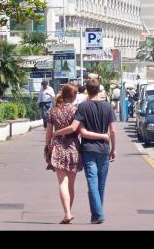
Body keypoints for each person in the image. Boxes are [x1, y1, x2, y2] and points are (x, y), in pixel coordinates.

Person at [52, 78, 116, 224]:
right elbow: (113, 130)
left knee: (92, 182)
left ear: (87, 90)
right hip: (104, 149)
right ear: (99, 89)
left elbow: (80, 130)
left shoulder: (82, 107)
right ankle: (97, 213)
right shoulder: (108, 107)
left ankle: (98, 214)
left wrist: (56, 133)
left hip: (88, 149)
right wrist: (114, 148)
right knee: (101, 183)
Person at [45, 84, 84, 224]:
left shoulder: (52, 111)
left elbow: (48, 133)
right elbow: (78, 131)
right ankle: (68, 212)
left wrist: (47, 146)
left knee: (62, 182)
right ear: (73, 96)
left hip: (58, 146)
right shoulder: (76, 111)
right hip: (73, 146)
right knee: (71, 185)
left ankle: (67, 213)